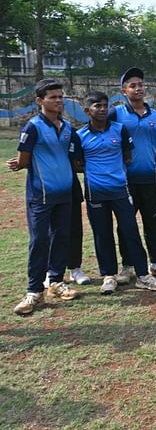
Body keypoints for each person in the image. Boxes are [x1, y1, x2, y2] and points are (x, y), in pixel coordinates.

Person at [72, 91, 156, 295]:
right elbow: (77, 163)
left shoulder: (120, 130)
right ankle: (109, 276)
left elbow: (128, 158)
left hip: (120, 191)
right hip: (95, 193)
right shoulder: (79, 136)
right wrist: (96, 170)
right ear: (87, 111)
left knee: (130, 231)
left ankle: (142, 275)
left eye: (105, 105)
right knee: (102, 234)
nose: (103, 109)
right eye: (97, 106)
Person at [8, 79, 79, 315]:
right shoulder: (33, 127)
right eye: (53, 97)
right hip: (42, 194)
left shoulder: (68, 127)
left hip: (65, 193)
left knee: (62, 237)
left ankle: (56, 282)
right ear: (39, 100)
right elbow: (24, 160)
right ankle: (34, 292)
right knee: (39, 240)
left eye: (60, 97)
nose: (58, 101)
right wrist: (18, 164)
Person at [109, 67, 156, 283]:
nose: (138, 89)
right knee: (126, 224)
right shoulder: (115, 114)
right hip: (125, 181)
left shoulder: (155, 115)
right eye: (133, 85)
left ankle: (155, 263)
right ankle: (127, 266)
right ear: (123, 90)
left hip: (149, 179)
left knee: (153, 222)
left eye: (140, 84)